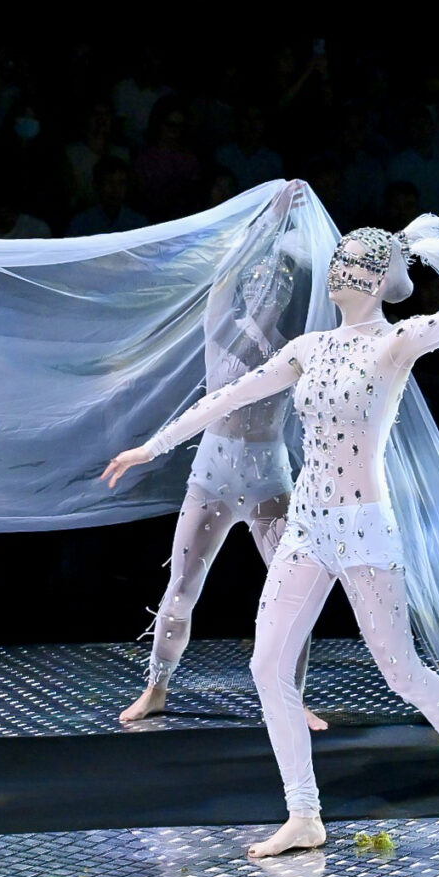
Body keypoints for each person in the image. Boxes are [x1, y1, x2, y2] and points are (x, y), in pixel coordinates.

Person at [104, 221, 439, 859]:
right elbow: (228, 395)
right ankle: (304, 813)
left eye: (352, 261)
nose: (337, 270)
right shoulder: (309, 348)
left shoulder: (397, 342)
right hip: (307, 526)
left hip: (364, 529)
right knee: (266, 666)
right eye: (337, 260)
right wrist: (153, 447)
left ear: (375, 280)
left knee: (399, 670)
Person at [120, 185, 326, 730]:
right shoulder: (221, 329)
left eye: (277, 288)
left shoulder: (294, 348)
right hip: (213, 474)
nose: (265, 295)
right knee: (182, 586)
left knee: (293, 592)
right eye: (258, 285)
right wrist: (268, 222)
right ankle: (156, 687)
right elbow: (225, 273)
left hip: (269, 479)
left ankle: (293, 697)